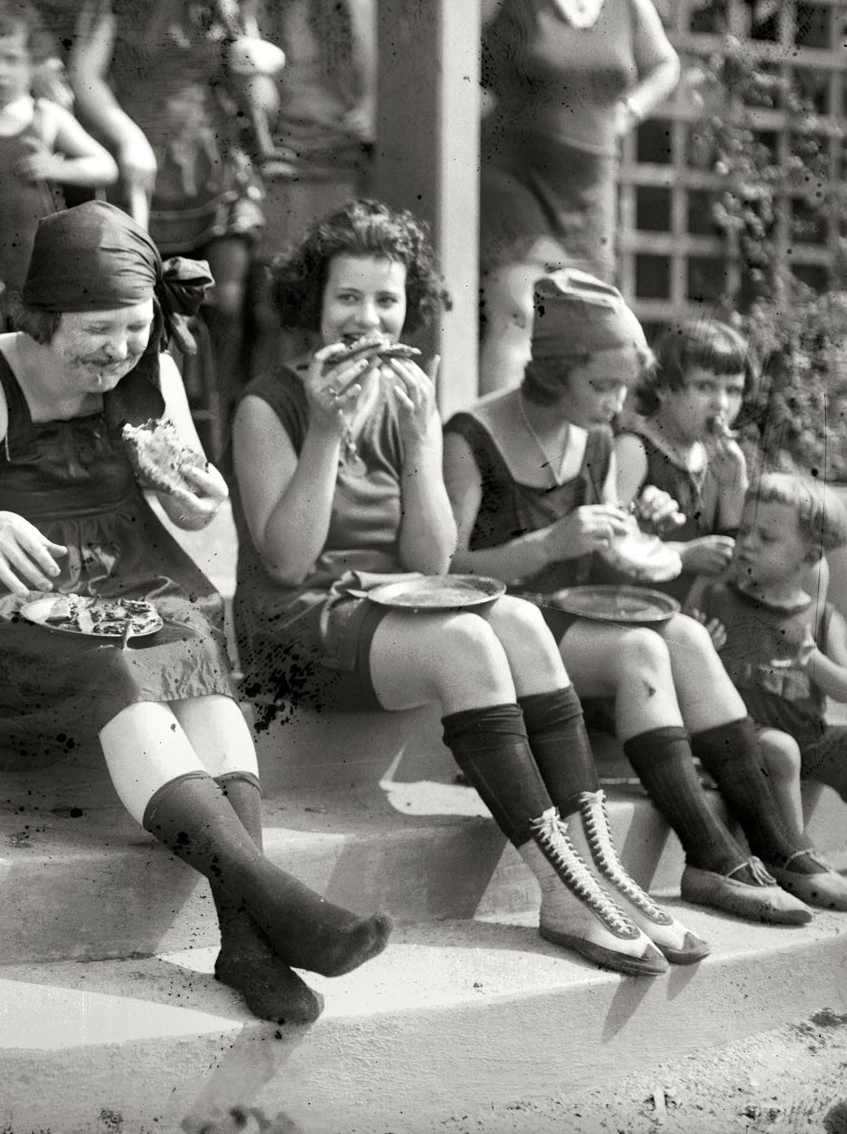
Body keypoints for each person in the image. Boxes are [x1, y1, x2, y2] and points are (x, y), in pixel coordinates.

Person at [0, 200, 390, 1025]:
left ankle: (247, 939)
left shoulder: (149, 362)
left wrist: (199, 498)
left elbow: (191, 495)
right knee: (117, 666)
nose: (117, 350)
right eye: (96, 331)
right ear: (43, 319)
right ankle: (276, 900)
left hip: (126, 581)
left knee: (192, 645)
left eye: (132, 326)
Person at [231, 201, 694, 976]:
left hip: (387, 610)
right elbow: (285, 562)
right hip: (296, 625)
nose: (368, 319)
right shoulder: (267, 405)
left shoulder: (410, 398)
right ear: (315, 303)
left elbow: (434, 560)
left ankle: (601, 872)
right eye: (349, 298)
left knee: (516, 618)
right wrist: (325, 430)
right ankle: (559, 889)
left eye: (388, 300)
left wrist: (417, 440)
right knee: (471, 637)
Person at [443, 269, 847, 918]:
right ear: (554, 373)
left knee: (685, 634)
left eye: (623, 389)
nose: (616, 404)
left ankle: (773, 844)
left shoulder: (597, 439)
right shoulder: (471, 438)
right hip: (497, 627)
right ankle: (713, 855)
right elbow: (445, 567)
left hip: (564, 619)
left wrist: (645, 529)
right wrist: (547, 545)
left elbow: (611, 547)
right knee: (641, 651)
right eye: (601, 387)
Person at [69, 0, 283, 404]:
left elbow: (258, 89)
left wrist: (258, 66)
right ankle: (152, 423)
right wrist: (125, 138)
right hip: (144, 163)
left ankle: (229, 438)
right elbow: (85, 77)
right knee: (148, 308)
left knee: (230, 302)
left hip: (214, 160)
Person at [478, 0, 680, 393]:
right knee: (519, 312)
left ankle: (561, 458)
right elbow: (446, 37)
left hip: (589, 191)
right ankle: (494, 449)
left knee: (584, 328)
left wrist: (630, 110)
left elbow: (666, 65)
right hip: (515, 176)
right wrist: (468, 97)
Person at [691, 475, 847, 889]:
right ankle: (792, 847)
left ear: (808, 556)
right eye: (744, 531)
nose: (748, 543)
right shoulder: (718, 598)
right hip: (745, 740)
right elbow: (687, 666)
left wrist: (813, 661)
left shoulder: (822, 619)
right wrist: (702, 641)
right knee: (783, 748)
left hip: (809, 738)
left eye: (766, 536)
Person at [239, 0, 375, 376]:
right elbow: (252, 97)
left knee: (331, 301)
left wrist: (370, 110)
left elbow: (377, 91)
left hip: (339, 167)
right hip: (281, 166)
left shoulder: (361, 10)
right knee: (272, 304)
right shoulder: (259, 9)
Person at [0, 0, 116, 295]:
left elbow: (105, 167)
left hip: (41, 281)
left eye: (12, 59)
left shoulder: (46, 117)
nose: (0, 72)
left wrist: (57, 169)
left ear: (33, 64)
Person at [614, 319, 753, 601]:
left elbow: (732, 553)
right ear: (664, 388)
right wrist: (683, 555)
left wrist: (734, 487)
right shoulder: (634, 450)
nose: (722, 404)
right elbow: (606, 550)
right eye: (705, 387)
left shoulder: (715, 456)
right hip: (640, 601)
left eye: (734, 390)